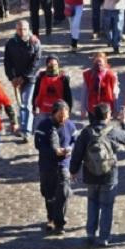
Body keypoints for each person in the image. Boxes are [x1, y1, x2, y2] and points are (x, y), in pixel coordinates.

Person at [69, 103, 125, 247]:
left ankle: (90, 233)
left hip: (90, 174)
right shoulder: (112, 132)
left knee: (92, 203)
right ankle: (104, 237)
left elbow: (77, 153)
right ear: (107, 116)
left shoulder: (86, 132)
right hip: (109, 175)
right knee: (106, 206)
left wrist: (73, 171)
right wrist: (124, 123)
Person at [33, 100, 76, 235]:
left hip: (64, 165)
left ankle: (60, 223)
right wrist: (54, 152)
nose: (62, 119)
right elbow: (38, 144)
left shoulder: (70, 125)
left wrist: (69, 149)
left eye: (65, 116)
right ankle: (51, 218)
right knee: (49, 194)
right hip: (47, 165)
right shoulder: (44, 125)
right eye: (60, 116)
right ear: (53, 114)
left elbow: (75, 141)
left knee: (63, 193)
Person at [4, 20, 42, 143]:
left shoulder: (35, 42)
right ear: (16, 29)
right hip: (16, 80)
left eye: (24, 29)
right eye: (20, 29)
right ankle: (23, 126)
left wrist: (24, 77)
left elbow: (36, 63)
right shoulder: (11, 43)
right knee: (20, 104)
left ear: (28, 29)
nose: (22, 32)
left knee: (26, 103)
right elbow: (7, 62)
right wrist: (12, 77)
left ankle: (26, 131)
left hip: (29, 79)